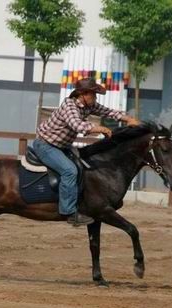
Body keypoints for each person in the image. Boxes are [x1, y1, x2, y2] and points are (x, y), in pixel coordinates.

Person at [34, 78, 140, 226]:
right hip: (46, 145)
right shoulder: (69, 105)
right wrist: (100, 128)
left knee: (84, 165)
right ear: (82, 94)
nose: (95, 97)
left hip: (61, 146)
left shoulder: (88, 105)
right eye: (93, 94)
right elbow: (77, 125)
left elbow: (107, 111)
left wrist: (128, 119)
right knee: (70, 171)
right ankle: (69, 212)